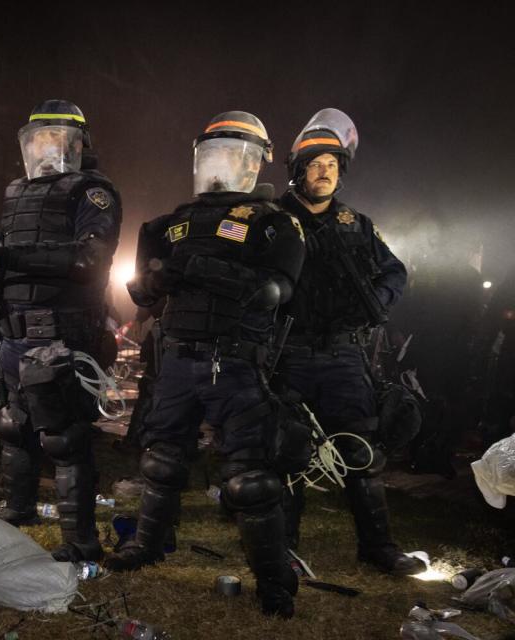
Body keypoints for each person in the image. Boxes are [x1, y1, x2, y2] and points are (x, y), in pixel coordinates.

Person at [103, 111, 305, 618]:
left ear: (256, 163)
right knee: (161, 460)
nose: (220, 166)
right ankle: (147, 545)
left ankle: (275, 579)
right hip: (176, 359)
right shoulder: (171, 223)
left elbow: (274, 292)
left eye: (233, 155)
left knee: (250, 479)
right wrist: (149, 283)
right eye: (213, 154)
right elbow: (141, 295)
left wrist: (196, 267)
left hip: (236, 363)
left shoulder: (274, 223)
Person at [275, 108, 424, 576]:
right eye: (316, 163)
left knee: (361, 450)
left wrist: (376, 300)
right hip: (286, 354)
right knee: (287, 451)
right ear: (299, 169)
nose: (324, 172)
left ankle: (378, 548)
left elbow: (395, 270)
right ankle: (283, 549)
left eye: (332, 165)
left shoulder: (356, 224)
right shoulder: (273, 219)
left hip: (343, 354)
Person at [0, 100, 122, 563]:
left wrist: (13, 260)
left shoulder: (92, 193)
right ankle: (19, 509)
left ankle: (81, 538)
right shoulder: (17, 192)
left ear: (80, 145)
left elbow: (89, 261)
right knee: (13, 426)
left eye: (57, 138)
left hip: (62, 335)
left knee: (64, 437)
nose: (47, 147)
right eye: (40, 137)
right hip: (14, 333)